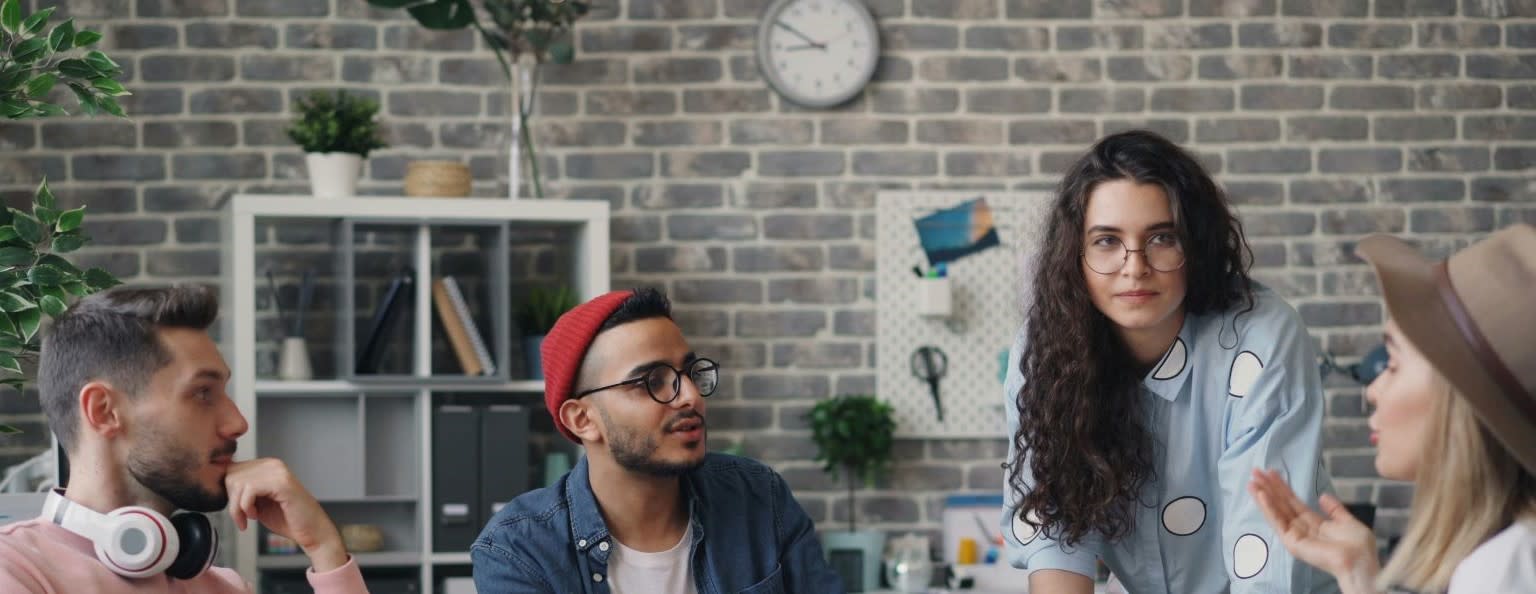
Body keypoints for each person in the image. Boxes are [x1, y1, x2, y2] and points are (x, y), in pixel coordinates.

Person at [1002, 130, 1336, 592]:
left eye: (1161, 237)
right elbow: (1057, 533)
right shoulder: (1044, 349)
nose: (1134, 266)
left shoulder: (1259, 340)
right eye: (1106, 241)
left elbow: (1264, 558)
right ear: (1074, 256)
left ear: (1195, 246)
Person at [472, 287, 843, 593]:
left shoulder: (759, 497)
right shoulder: (518, 550)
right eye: (651, 381)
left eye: (689, 372)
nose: (691, 397)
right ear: (583, 419)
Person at [0, 286, 367, 592]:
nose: (238, 422)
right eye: (203, 393)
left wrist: (325, 548)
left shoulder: (223, 587)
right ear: (104, 411)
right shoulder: (15, 571)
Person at [1250, 223, 1536, 594]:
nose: (1372, 390)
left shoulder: (1503, 571)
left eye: (1394, 364)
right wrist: (1360, 576)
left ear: (1460, 402)